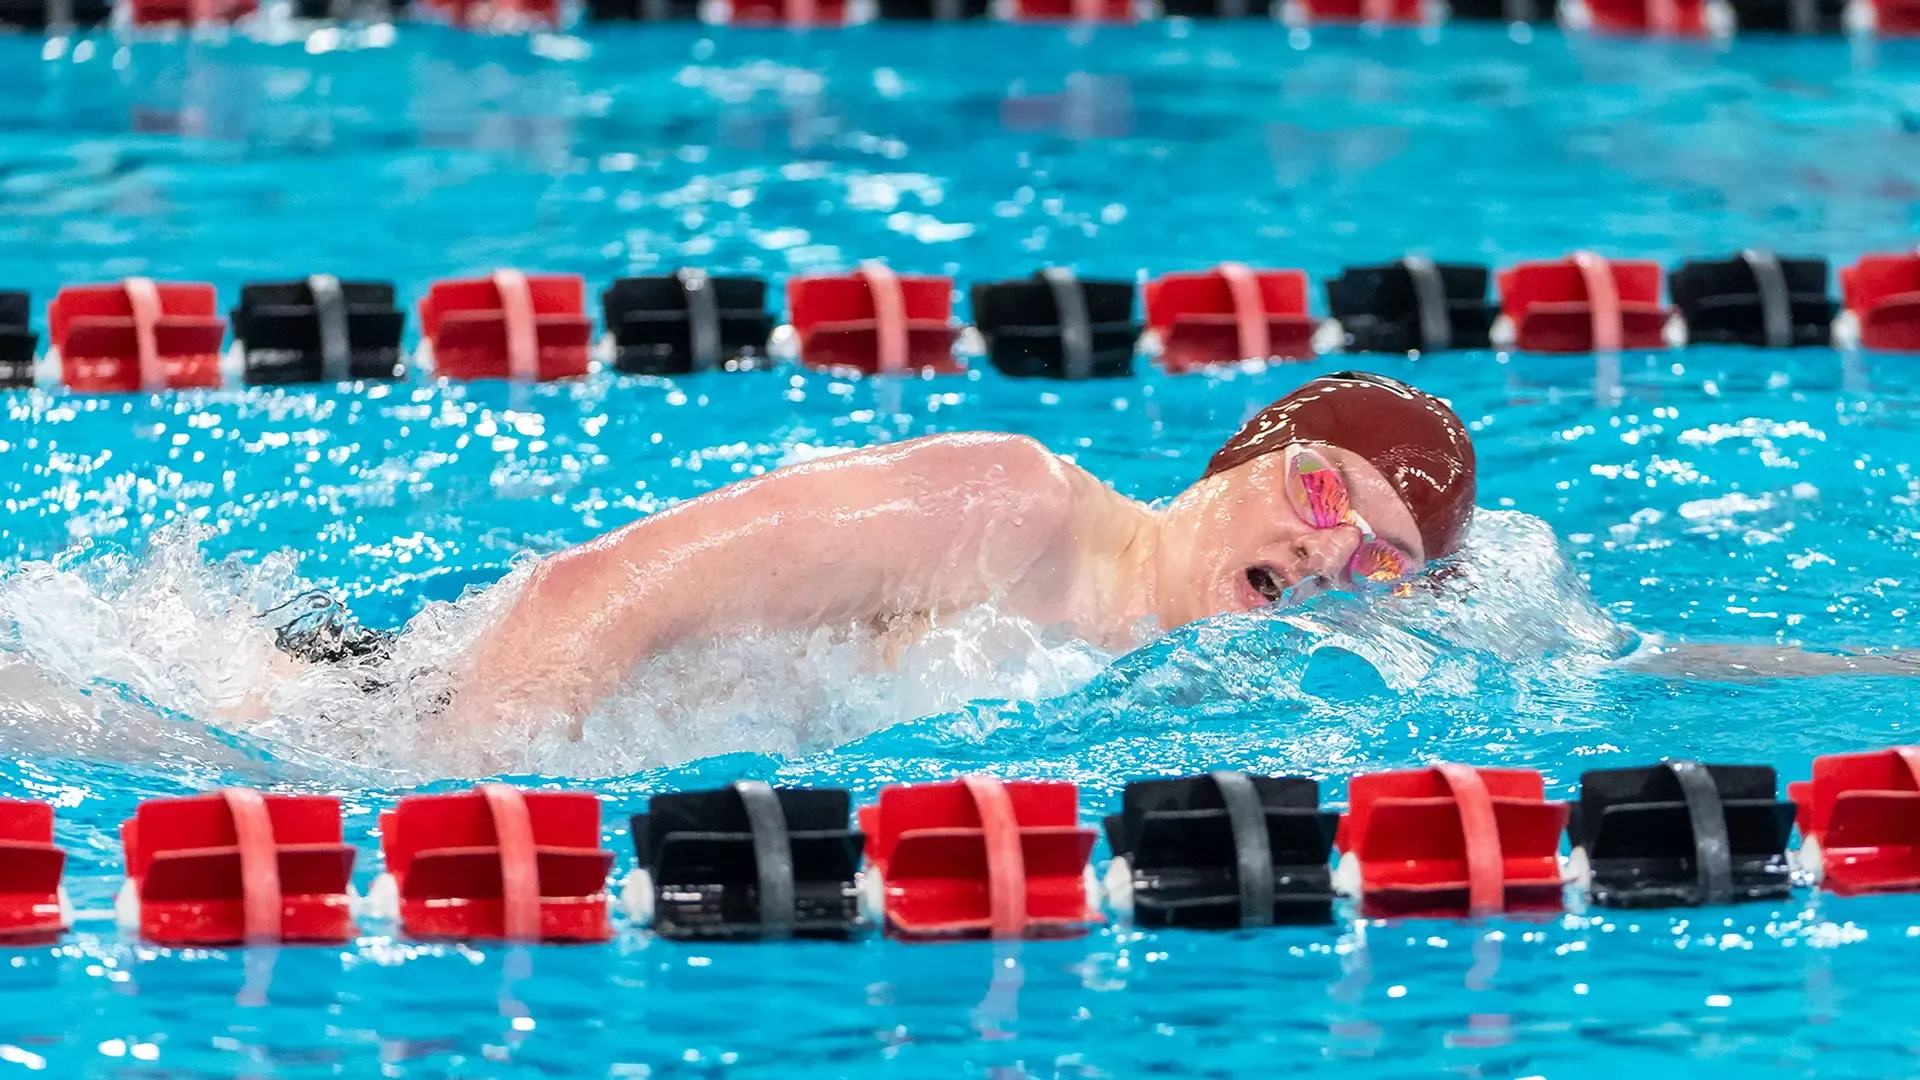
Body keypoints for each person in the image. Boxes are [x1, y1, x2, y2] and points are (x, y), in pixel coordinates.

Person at [440, 371, 1476, 728]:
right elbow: (591, 593)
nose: (1321, 548)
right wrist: (470, 801)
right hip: (384, 727)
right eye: (1320, 488)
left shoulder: (1191, 678)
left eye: (1372, 557)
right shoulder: (1014, 505)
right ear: (1242, 455)